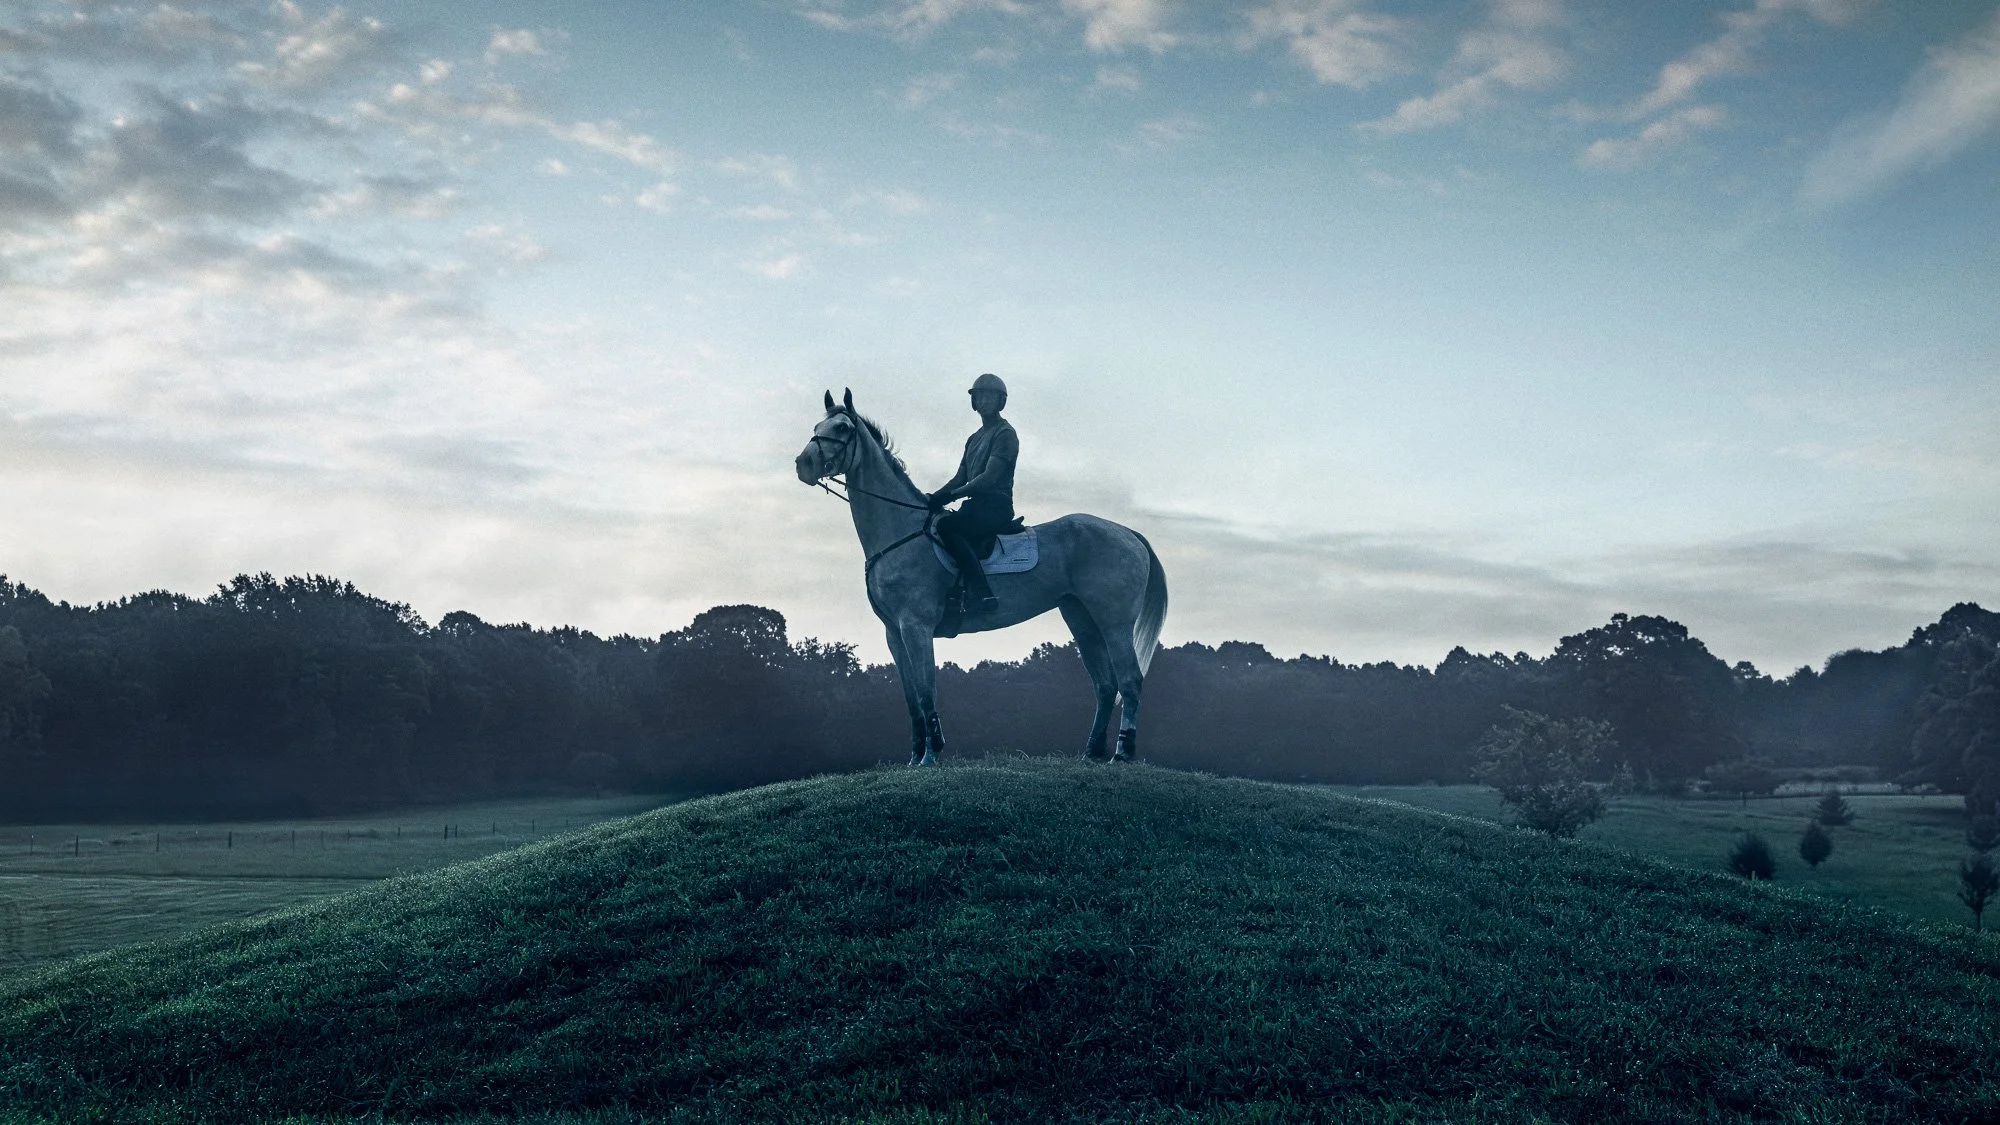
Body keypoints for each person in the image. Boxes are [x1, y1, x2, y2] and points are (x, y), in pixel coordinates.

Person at [927, 373, 1019, 615]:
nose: (984, 401)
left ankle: (983, 594)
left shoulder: (1005, 434)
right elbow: (959, 478)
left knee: (948, 527)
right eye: (980, 396)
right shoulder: (973, 439)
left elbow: (989, 479)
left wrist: (952, 496)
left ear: (1001, 401)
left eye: (990, 396)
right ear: (974, 402)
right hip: (975, 507)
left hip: (995, 506)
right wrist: (929, 498)